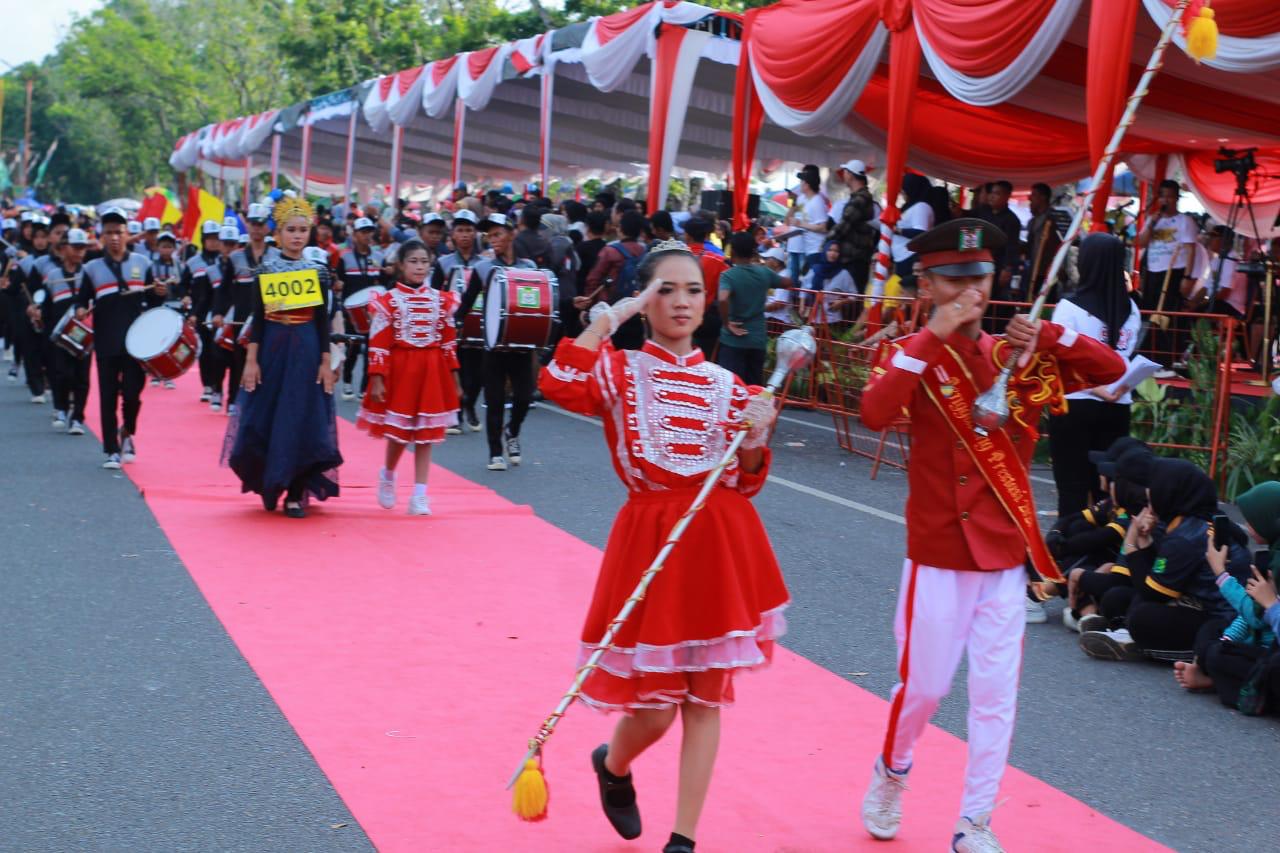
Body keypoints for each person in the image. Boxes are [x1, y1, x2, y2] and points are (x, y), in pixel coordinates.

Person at [857, 219, 1125, 851]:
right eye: (953, 279)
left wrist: (1053, 332)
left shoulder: (1019, 355)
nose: (969, 291)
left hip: (1003, 559)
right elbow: (874, 411)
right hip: (938, 555)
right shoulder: (913, 351)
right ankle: (892, 772)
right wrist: (933, 333)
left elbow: (1111, 369)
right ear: (926, 284)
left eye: (978, 277)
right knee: (922, 688)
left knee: (995, 696)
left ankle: (975, 820)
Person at [538, 239, 785, 853]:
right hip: (649, 544)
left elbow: (744, 479)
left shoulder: (730, 384)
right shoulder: (617, 370)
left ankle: (684, 839)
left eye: (694, 290)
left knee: (705, 700)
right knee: (654, 709)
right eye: (665, 290)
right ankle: (614, 766)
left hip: (718, 547)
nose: (681, 301)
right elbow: (557, 383)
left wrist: (756, 437)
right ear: (643, 302)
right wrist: (609, 317)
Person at [226, 194, 342, 518]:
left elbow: (322, 322)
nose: (296, 236)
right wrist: (251, 360)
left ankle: (295, 491)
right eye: (290, 229)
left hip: (306, 351)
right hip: (273, 350)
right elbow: (259, 320)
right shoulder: (265, 271)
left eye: (302, 230)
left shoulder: (318, 273)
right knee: (264, 419)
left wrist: (324, 361)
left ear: (310, 233)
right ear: (278, 232)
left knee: (303, 420)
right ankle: (268, 482)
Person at [1080, 459, 1251, 661]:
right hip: (1188, 600)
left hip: (1219, 617)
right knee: (1117, 598)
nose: (1149, 491)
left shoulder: (1187, 536)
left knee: (1142, 618)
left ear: (1171, 492)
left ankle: (1146, 646)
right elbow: (1157, 575)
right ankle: (1128, 635)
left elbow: (1152, 592)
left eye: (1156, 485)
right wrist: (1145, 540)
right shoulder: (1185, 521)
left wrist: (1133, 540)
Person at [356, 240, 460, 516]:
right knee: (400, 433)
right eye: (413, 261)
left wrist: (455, 378)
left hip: (432, 370)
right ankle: (388, 475)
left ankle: (420, 494)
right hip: (401, 370)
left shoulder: (443, 300)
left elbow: (449, 342)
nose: (419, 267)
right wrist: (377, 378)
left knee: (427, 434)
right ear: (401, 266)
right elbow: (378, 342)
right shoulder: (388, 302)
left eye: (424, 261)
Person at [1047, 233, 1142, 517]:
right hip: (1117, 405)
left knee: (1071, 489)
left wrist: (1096, 388)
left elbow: (1061, 356)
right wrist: (1112, 390)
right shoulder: (1131, 309)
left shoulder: (1069, 307)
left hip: (1074, 405)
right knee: (1107, 490)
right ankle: (1104, 551)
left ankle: (1068, 552)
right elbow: (1124, 358)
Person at [75, 207, 166, 469]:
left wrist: (160, 291)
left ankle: (127, 432)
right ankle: (111, 450)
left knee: (133, 394)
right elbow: (81, 302)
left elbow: (154, 300)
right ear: (102, 236)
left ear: (127, 234)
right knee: (107, 396)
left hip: (137, 343)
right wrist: (80, 310)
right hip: (105, 342)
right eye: (109, 233)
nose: (114, 237)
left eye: (119, 232)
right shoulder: (91, 268)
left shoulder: (143, 263)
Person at [459, 213, 538, 471]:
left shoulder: (529, 268)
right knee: (493, 399)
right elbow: (468, 302)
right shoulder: (483, 268)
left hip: (522, 342)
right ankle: (495, 452)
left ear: (512, 233)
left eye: (497, 234)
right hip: (493, 342)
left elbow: (541, 303)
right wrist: (453, 321)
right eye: (489, 236)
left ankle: (512, 432)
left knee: (524, 397)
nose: (492, 240)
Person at [29, 227, 91, 432]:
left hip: (83, 335)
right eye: (75, 247)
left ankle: (78, 418)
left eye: (83, 248)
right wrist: (37, 313)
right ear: (64, 248)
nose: (79, 252)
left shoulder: (89, 273)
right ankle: (61, 408)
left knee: (82, 378)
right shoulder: (54, 276)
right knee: (61, 374)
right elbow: (46, 305)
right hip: (59, 335)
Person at [1135, 179, 1199, 369]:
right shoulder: (1154, 220)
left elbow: (1190, 250)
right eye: (1163, 196)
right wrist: (1153, 222)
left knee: (1168, 316)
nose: (1166, 200)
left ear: (1177, 198)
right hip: (1153, 272)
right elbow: (1141, 242)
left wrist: (1187, 277)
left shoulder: (1184, 221)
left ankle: (1167, 359)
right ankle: (1148, 355)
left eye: (1170, 197)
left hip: (1173, 273)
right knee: (1149, 314)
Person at [432, 210, 485, 432]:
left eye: (469, 230)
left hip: (480, 323)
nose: (465, 235)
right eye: (460, 230)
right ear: (452, 234)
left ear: (475, 234)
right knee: (456, 368)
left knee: (479, 371)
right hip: (452, 322)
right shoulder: (443, 263)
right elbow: (434, 292)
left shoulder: (485, 263)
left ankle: (470, 404)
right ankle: (457, 411)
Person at [714, 232, 777, 386]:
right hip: (757, 339)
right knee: (753, 389)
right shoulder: (764, 273)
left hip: (733, 340)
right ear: (753, 252)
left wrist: (727, 323)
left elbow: (722, 298)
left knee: (730, 389)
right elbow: (788, 282)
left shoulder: (728, 276)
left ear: (733, 251)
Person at [335, 216, 386, 401]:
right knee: (353, 347)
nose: (367, 236)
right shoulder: (345, 257)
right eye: (363, 232)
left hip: (373, 311)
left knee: (372, 348)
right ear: (355, 235)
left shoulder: (379, 257)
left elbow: (385, 282)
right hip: (352, 311)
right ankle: (347, 382)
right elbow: (338, 281)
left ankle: (365, 387)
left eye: (369, 232)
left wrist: (387, 273)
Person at [585, 210, 649, 351]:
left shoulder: (610, 251)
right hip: (636, 313)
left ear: (621, 229)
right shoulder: (645, 253)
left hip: (612, 312)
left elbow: (593, 280)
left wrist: (589, 308)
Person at [184, 220, 227, 404]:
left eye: (216, 238)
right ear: (203, 240)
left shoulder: (226, 260)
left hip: (221, 312)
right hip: (201, 311)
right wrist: (184, 298)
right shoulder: (193, 262)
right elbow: (182, 286)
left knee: (219, 351)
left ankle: (218, 386)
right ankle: (208, 385)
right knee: (206, 351)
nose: (213, 242)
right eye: (209, 239)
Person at [829, 159, 879, 290]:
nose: (843, 175)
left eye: (845, 172)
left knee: (849, 302)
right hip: (857, 258)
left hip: (854, 259)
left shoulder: (859, 199)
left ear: (851, 175)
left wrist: (826, 243)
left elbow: (844, 225)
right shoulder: (862, 198)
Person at [974, 181, 1024, 302]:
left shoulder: (1012, 220)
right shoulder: (983, 212)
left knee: (992, 297)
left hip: (997, 266)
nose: (991, 196)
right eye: (991, 193)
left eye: (996, 193)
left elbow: (1012, 247)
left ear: (1006, 196)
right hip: (978, 262)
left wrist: (1007, 269)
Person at [890, 174, 934, 279]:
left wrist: (897, 230)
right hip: (902, 258)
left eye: (904, 188)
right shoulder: (909, 206)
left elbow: (920, 233)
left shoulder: (921, 207)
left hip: (911, 258)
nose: (901, 192)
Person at [786, 165, 829, 273]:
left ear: (807, 184)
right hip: (808, 249)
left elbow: (823, 227)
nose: (800, 184)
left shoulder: (817, 201)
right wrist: (793, 203)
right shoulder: (802, 199)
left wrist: (800, 223)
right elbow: (788, 219)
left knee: (811, 284)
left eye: (801, 181)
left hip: (816, 249)